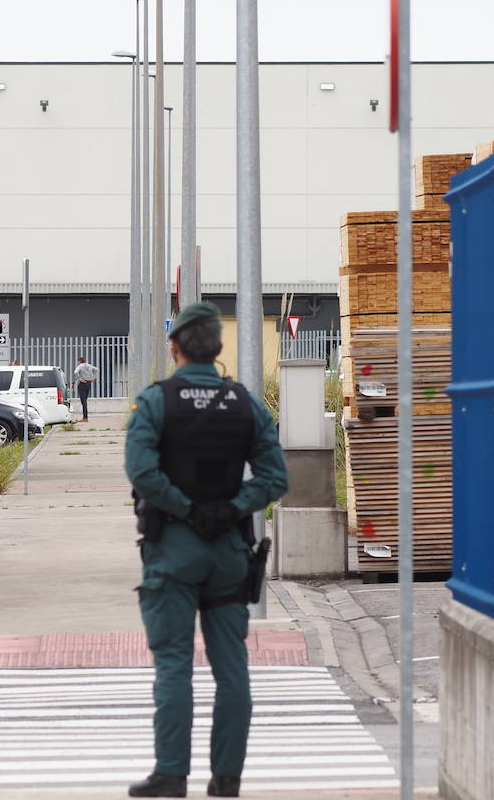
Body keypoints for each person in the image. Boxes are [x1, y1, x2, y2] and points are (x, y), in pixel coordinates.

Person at [123, 303, 287, 798]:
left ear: (175, 346)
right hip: (229, 553)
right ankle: (227, 779)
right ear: (218, 348)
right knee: (231, 667)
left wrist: (186, 510)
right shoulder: (245, 403)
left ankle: (172, 775)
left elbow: (142, 473)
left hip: (173, 549)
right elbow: (276, 478)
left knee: (173, 663)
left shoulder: (156, 402)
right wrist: (232, 507)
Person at [73, 356, 98, 421]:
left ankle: (85, 418)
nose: (77, 363)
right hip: (88, 383)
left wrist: (80, 379)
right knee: (85, 401)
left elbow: (75, 372)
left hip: (83, 384)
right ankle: (85, 417)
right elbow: (96, 370)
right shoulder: (89, 366)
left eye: (78, 362)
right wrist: (93, 378)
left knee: (83, 401)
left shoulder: (80, 366)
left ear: (79, 361)